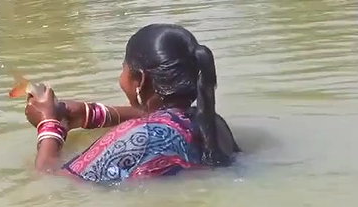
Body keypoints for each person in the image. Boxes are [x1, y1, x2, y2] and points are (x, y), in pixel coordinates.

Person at [24, 24, 240, 184]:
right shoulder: (213, 122)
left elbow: (51, 178)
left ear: (141, 80)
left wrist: (49, 124)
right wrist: (90, 113)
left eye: (123, 69)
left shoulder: (141, 136)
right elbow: (156, 119)